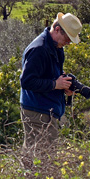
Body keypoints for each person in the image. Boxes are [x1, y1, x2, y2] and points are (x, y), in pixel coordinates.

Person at [19, 12, 82, 151]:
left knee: (43, 156)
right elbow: (27, 82)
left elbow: (48, 74)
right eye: (67, 38)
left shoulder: (55, 47)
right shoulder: (39, 49)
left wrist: (63, 85)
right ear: (58, 29)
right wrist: (55, 84)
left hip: (47, 110)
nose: (68, 43)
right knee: (38, 158)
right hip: (37, 112)